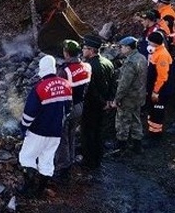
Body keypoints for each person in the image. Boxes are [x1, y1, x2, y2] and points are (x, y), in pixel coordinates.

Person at [19, 55, 72, 197]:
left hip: (38, 131)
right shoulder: (66, 85)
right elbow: (68, 109)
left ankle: (28, 188)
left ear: (42, 68)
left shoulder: (39, 88)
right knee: (47, 161)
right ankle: (40, 190)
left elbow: (29, 114)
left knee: (26, 157)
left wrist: (23, 127)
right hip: (56, 132)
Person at [54, 39, 91, 181]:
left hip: (67, 108)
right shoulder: (87, 66)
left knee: (62, 138)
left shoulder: (65, 71)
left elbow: (59, 92)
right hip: (80, 105)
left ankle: (63, 168)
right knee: (71, 134)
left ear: (66, 53)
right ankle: (71, 160)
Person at [80, 34, 116, 170]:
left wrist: (102, 102)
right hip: (105, 105)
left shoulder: (88, 66)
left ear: (91, 50)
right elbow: (113, 83)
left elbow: (91, 90)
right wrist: (109, 101)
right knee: (99, 132)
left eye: (84, 48)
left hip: (92, 106)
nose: (83, 51)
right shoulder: (108, 62)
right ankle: (98, 158)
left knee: (88, 133)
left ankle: (89, 161)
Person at [112, 36, 148, 155]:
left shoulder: (130, 63)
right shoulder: (142, 57)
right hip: (139, 95)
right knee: (136, 119)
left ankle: (121, 147)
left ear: (128, 48)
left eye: (122, 47)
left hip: (128, 97)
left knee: (122, 121)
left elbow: (124, 84)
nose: (120, 49)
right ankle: (137, 145)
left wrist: (117, 99)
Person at [145, 31, 173, 147]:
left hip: (161, 91)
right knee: (152, 111)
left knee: (157, 112)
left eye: (150, 41)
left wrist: (156, 92)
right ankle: (152, 132)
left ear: (154, 42)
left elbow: (162, 77)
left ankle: (155, 137)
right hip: (155, 89)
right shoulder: (157, 52)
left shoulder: (162, 55)